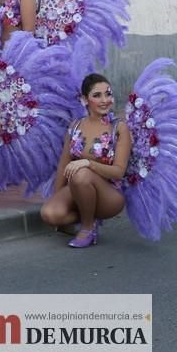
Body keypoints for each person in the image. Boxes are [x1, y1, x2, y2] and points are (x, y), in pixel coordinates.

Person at [39, 73, 129, 247]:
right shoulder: (75, 126)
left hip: (109, 196)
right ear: (84, 99)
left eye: (108, 94)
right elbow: (64, 165)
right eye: (97, 95)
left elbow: (119, 172)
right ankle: (87, 214)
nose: (105, 100)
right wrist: (57, 197)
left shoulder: (118, 128)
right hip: (78, 187)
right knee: (50, 214)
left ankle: (87, 228)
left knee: (81, 174)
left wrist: (88, 163)